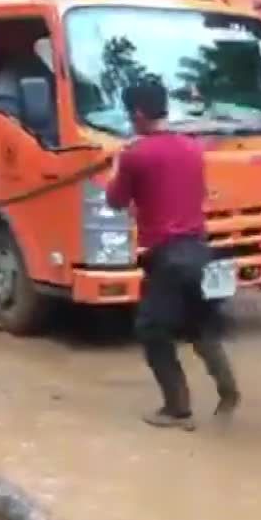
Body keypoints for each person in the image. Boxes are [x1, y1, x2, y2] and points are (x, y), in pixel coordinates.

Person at [105, 78, 238, 430]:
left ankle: (177, 407)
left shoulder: (135, 155)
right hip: (201, 250)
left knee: (152, 328)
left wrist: (116, 168)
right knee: (200, 325)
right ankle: (228, 391)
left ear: (137, 113)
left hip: (168, 255)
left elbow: (115, 200)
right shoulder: (192, 148)